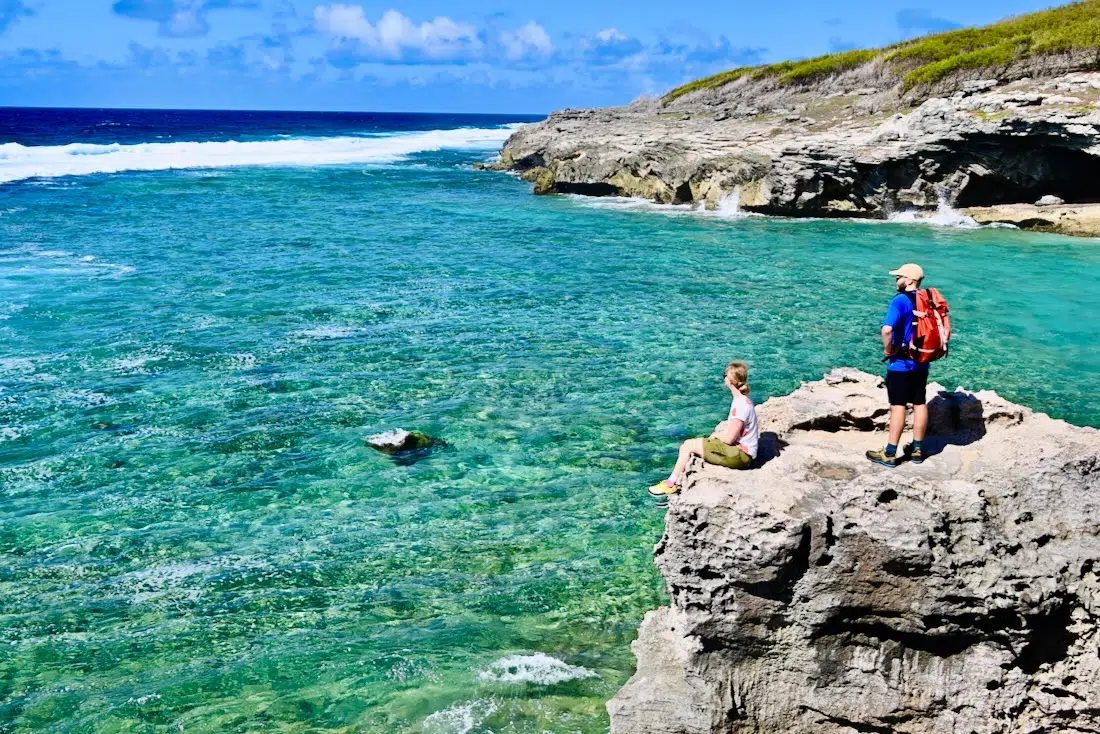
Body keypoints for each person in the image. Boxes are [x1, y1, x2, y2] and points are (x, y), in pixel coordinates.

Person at [648, 360, 759, 500]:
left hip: (740, 456)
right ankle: (674, 484)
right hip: (742, 453)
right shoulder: (743, 400)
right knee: (691, 444)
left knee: (688, 446)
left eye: (724, 375)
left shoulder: (740, 406)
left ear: (729, 380)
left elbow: (729, 439)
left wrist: (717, 436)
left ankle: (670, 485)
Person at [866, 262, 932, 468]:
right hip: (922, 361)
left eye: (899, 277)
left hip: (901, 363)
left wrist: (888, 350)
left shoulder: (900, 300)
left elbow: (887, 329)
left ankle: (890, 453)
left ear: (909, 280)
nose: (896, 280)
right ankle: (917, 450)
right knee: (920, 402)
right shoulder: (927, 298)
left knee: (898, 406)